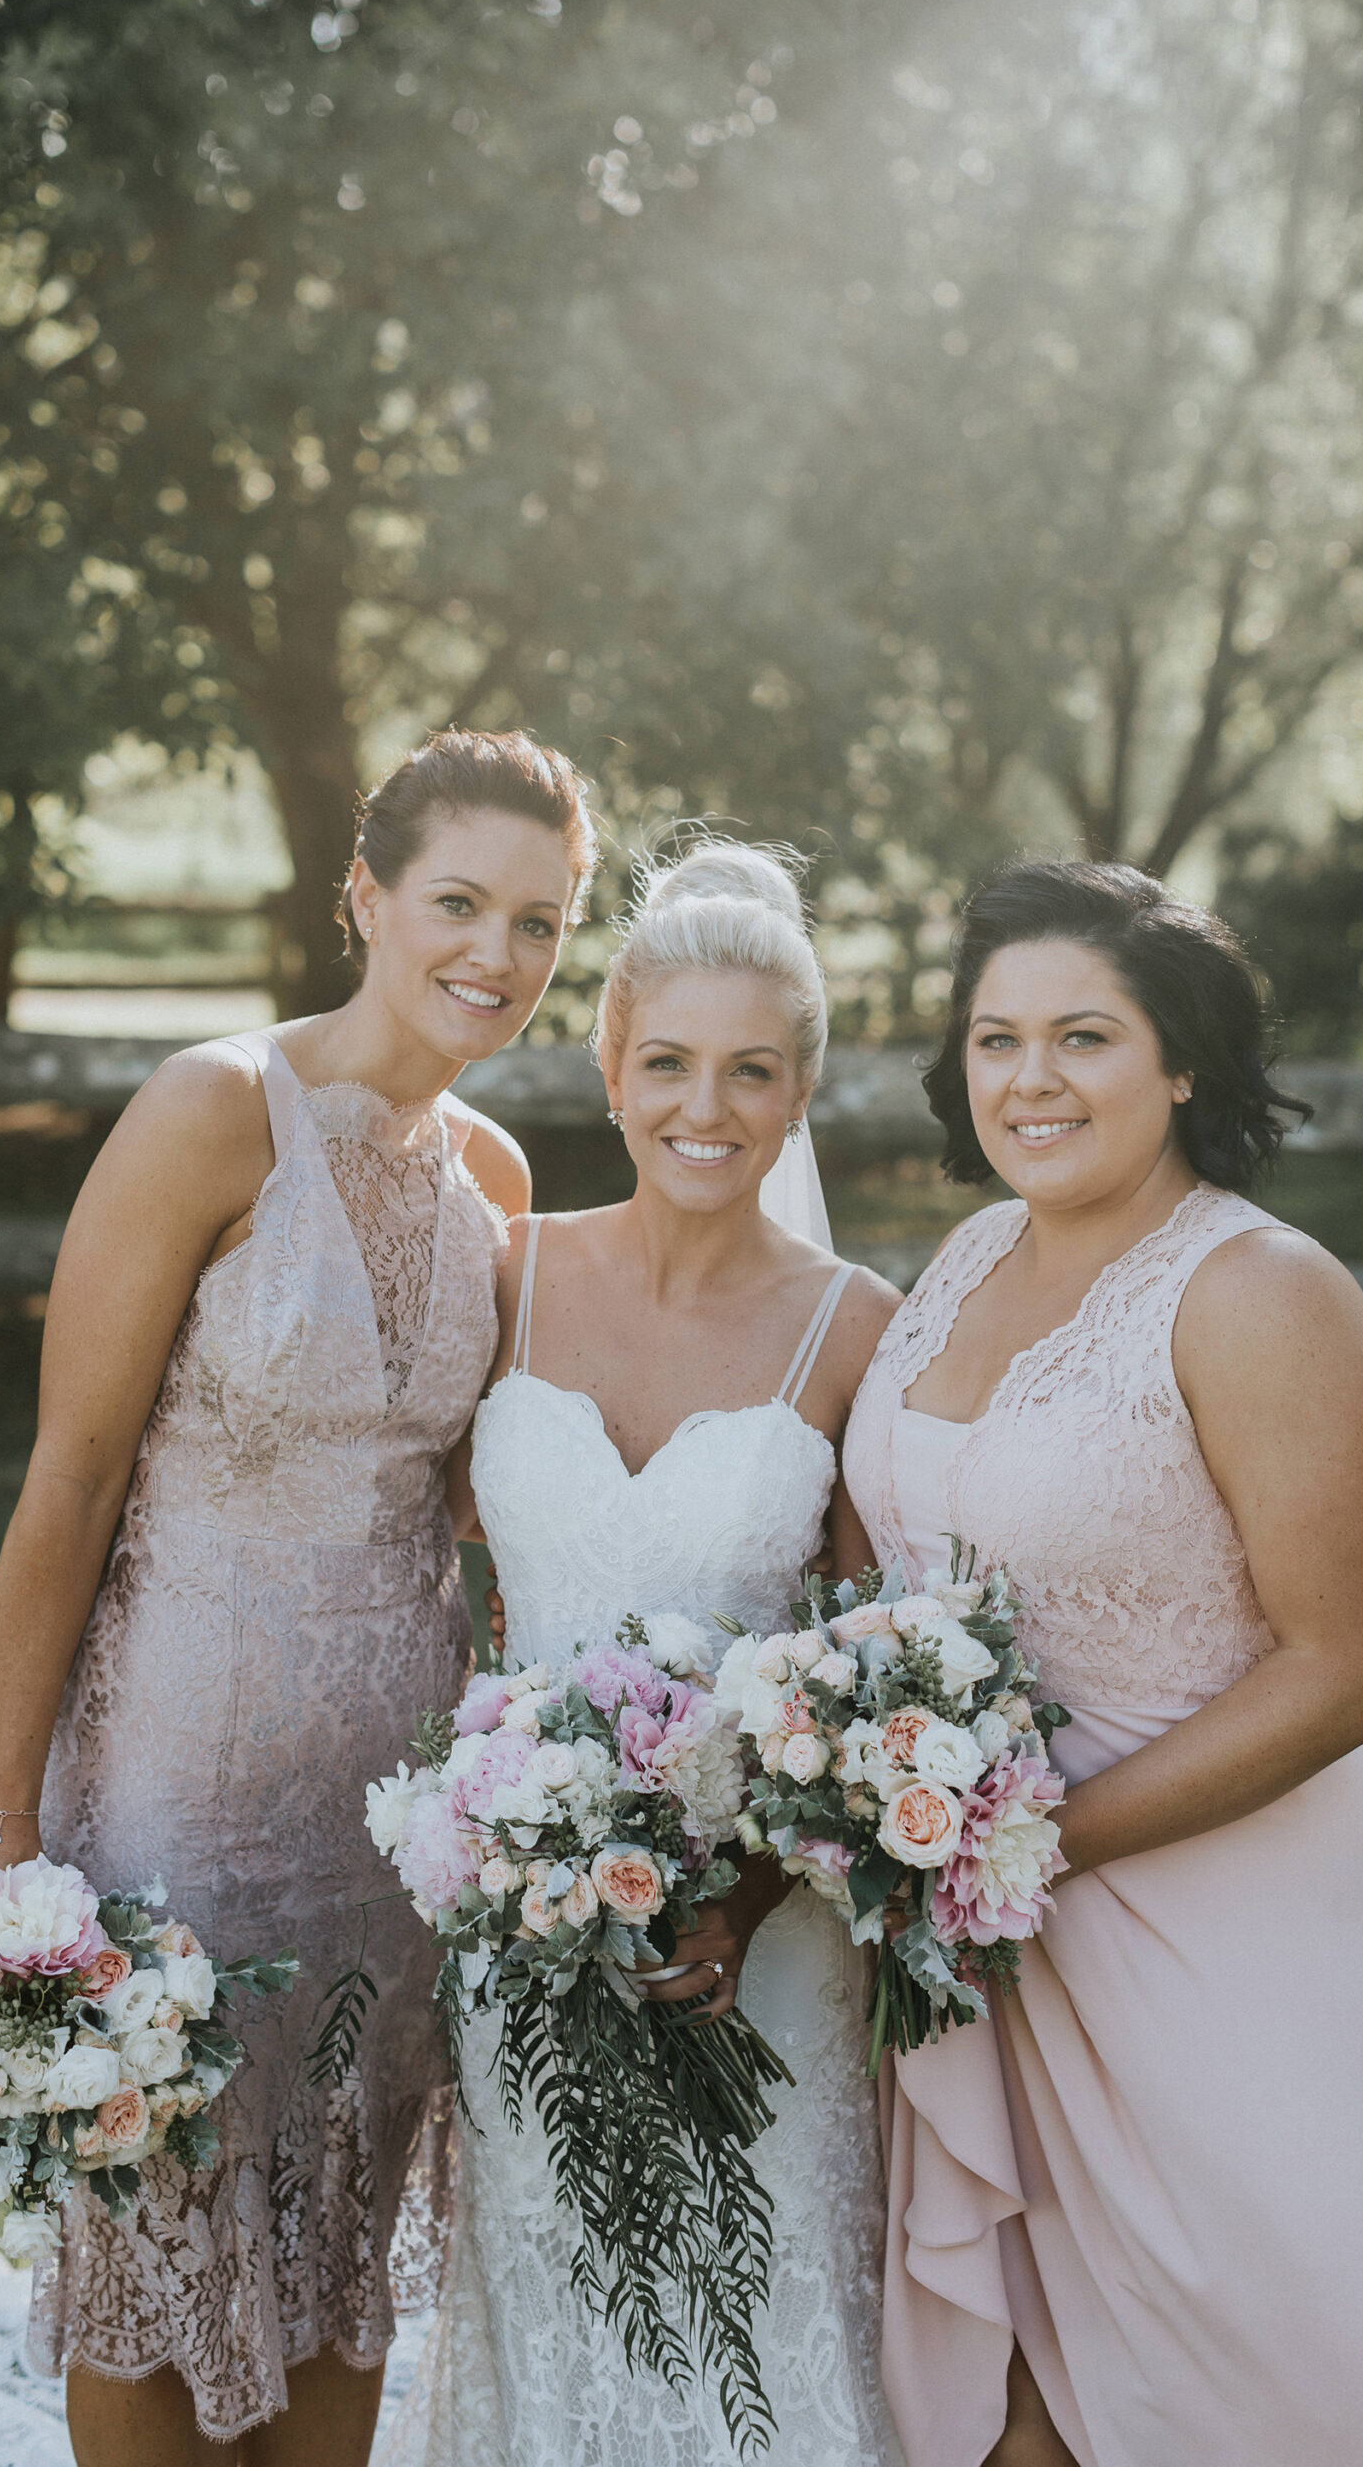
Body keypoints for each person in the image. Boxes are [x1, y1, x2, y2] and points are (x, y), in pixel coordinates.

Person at [0, 729, 596, 2467]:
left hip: (393, 1806)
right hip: (181, 1776)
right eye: (459, 901)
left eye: (541, 922)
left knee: (344, 2226)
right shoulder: (211, 1111)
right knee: (162, 2209)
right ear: (361, 897)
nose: (497, 957)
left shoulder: (500, 1182)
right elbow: (69, 1478)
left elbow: (485, 1512)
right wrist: (0, 1814)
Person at [839, 858, 1363, 2467]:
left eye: (1083, 1037)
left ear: (1182, 1058)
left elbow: (1345, 1668)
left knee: (1255, 2374)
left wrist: (1031, 1847)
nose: (1030, 1080)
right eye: (995, 1040)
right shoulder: (971, 1256)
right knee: (1015, 2409)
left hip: (1215, 1923)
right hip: (981, 1927)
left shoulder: (1261, 1294)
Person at [382, 842, 906, 2467]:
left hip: (760, 1945)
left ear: (800, 1089)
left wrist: (747, 1892)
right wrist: (507, 1834)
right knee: (550, 2313)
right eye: (668, 1063)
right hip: (519, 1929)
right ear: (607, 1070)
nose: (706, 1106)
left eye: (753, 1071)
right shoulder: (509, 1279)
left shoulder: (857, 1327)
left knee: (759, 2318)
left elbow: (871, 1679)